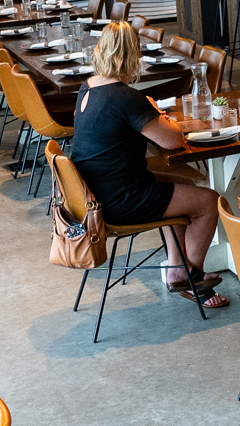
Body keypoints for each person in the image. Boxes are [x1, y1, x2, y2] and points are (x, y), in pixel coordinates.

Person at [67, 21, 224, 307]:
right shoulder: (127, 97)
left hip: (92, 195)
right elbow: (173, 140)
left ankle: (177, 269)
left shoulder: (87, 87)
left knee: (183, 186)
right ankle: (193, 276)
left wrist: (146, 110)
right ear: (132, 57)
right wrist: (152, 110)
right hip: (119, 200)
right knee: (209, 201)